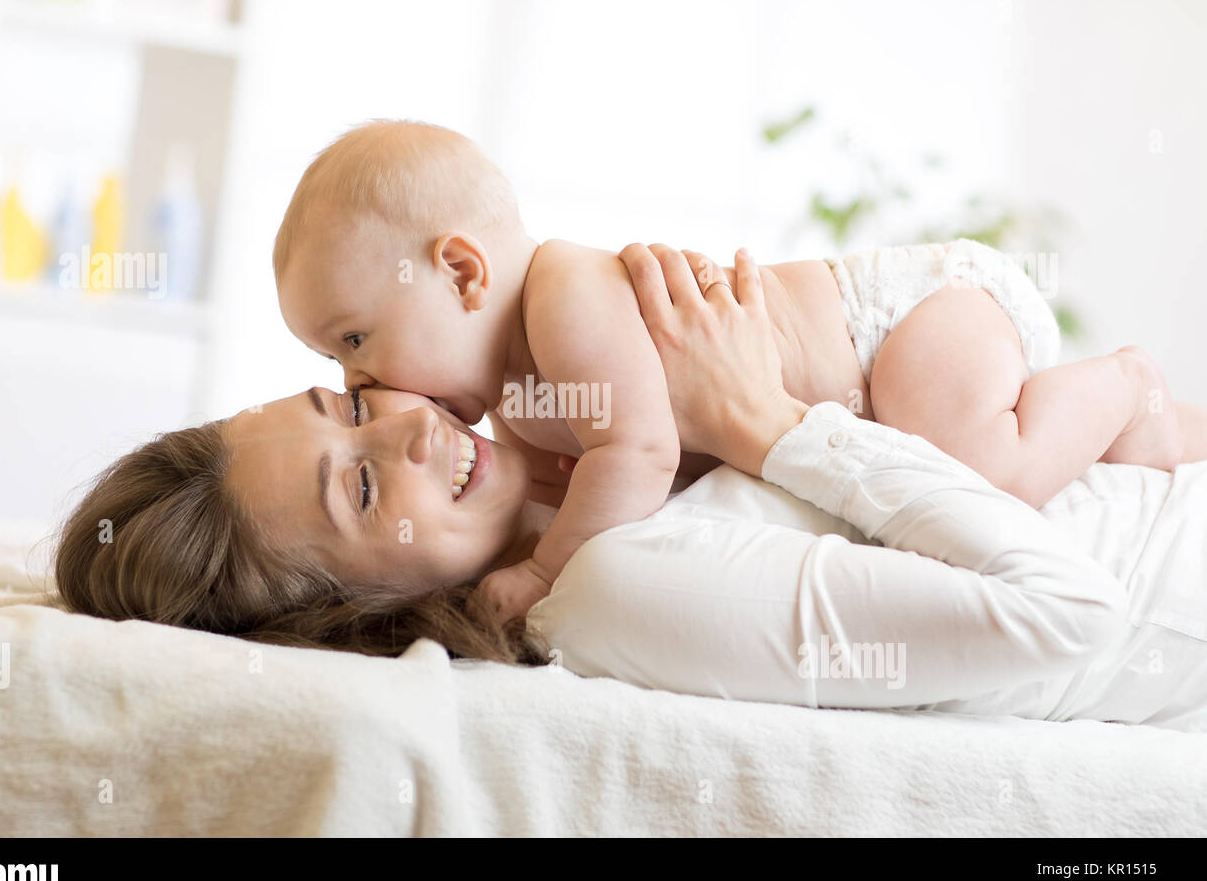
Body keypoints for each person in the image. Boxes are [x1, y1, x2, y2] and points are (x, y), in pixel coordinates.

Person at [56, 245, 1207, 731]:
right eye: (358, 491)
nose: (407, 423)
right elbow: (1069, 612)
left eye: (351, 402)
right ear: (352, 618)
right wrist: (770, 421)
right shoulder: (613, 587)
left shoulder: (572, 452)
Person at [270, 119, 1207, 623]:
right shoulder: (521, 414)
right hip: (866, 394)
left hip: (905, 322)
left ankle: (1125, 381)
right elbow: (680, 477)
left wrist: (548, 569)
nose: (360, 386)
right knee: (1059, 479)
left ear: (463, 273)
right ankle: (1156, 438)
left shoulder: (563, 296)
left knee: (985, 473)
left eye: (353, 342)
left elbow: (637, 455)